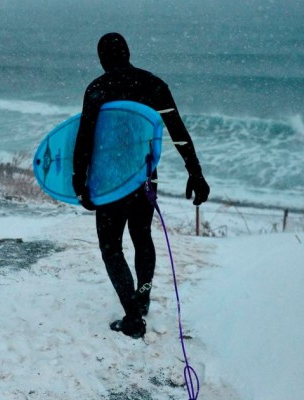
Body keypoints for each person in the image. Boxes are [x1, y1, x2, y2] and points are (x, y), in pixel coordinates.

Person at [72, 33, 210, 339]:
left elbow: (85, 139)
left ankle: (133, 317)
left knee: (111, 248)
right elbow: (178, 132)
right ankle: (143, 296)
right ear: (128, 52)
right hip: (145, 180)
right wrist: (195, 173)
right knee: (142, 235)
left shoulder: (97, 88)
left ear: (102, 58)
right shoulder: (153, 84)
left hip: (109, 183)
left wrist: (78, 181)